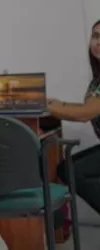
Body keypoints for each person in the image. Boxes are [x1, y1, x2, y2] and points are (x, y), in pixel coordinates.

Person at [51, 19, 100, 215]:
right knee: (66, 168)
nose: (98, 42)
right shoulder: (96, 81)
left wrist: (46, 105)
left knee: (74, 171)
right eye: (96, 36)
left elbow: (84, 114)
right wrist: (53, 103)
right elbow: (86, 108)